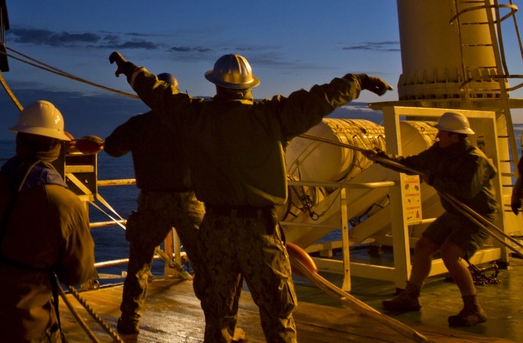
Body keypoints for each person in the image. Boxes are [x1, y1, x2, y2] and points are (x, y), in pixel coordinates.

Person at [109, 51, 391, 343]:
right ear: (250, 86)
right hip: (259, 231)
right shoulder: (271, 116)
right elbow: (321, 97)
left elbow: (157, 94)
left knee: (217, 313)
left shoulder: (194, 116)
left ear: (216, 86)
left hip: (215, 228)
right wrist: (358, 81)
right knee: (277, 313)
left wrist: (129, 68)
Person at [0, 100, 97, 343]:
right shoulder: (65, 203)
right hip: (22, 326)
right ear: (57, 147)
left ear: (18, 140)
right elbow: (78, 275)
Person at [363, 111, 497, 327]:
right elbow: (410, 164)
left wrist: (434, 179)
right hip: (455, 212)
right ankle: (410, 297)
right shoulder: (439, 152)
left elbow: (466, 192)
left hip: (477, 215)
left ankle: (474, 308)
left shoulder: (475, 160)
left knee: (450, 254)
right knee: (424, 245)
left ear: (454, 136)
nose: (437, 137)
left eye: (441, 134)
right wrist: (380, 158)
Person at [102, 72, 205, 336]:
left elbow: (112, 147)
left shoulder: (139, 125)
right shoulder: (192, 123)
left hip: (152, 201)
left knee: (139, 264)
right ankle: (220, 323)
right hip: (189, 201)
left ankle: (129, 319)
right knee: (207, 264)